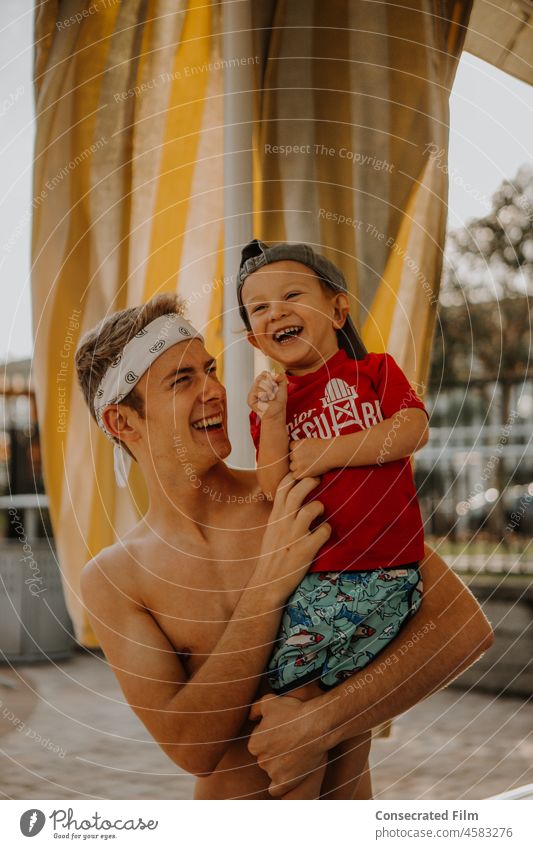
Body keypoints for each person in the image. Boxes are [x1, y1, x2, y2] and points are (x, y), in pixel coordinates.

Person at [75, 293, 493, 800]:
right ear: (123, 423)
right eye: (182, 381)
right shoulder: (117, 577)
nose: (214, 391)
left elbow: (464, 629)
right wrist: (268, 588)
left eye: (209, 370)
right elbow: (192, 747)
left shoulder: (303, 490)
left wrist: (322, 720)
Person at [238, 239, 431, 798]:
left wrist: (328, 452)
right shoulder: (276, 405)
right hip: (323, 580)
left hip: (384, 574)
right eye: (259, 309)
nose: (275, 311)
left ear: (338, 310)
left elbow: (412, 429)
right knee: (341, 737)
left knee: (291, 710)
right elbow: (276, 486)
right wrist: (273, 420)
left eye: (292, 294)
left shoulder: (375, 371)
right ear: (255, 339)